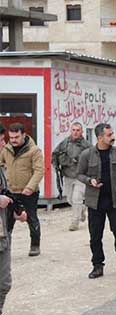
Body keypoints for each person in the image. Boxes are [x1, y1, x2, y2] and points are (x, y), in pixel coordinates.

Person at [77, 123, 116, 279]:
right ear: (100, 137)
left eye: (112, 134)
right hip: (94, 202)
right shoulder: (86, 154)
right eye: (109, 135)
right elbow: (79, 174)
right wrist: (90, 181)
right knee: (95, 236)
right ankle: (97, 265)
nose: (113, 137)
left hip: (115, 200)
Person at [0, 123, 44, 257]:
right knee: (7, 221)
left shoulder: (34, 150)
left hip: (29, 192)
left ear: (24, 135)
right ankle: (6, 247)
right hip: (11, 192)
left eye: (16, 137)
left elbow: (39, 170)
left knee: (31, 218)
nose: (13, 140)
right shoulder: (6, 149)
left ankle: (35, 245)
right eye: (11, 137)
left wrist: (30, 187)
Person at [0, 123, 26, 313]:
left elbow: (5, 192)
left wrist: (15, 210)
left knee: (4, 283)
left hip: (3, 232)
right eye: (1, 141)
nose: (4, 144)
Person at [52, 122, 91, 231]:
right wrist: (56, 164)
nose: (75, 132)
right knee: (69, 199)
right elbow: (55, 153)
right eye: (73, 130)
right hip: (68, 176)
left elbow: (93, 159)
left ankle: (75, 222)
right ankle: (82, 209)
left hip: (81, 177)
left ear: (82, 132)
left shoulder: (86, 145)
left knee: (77, 198)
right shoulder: (65, 143)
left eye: (78, 130)